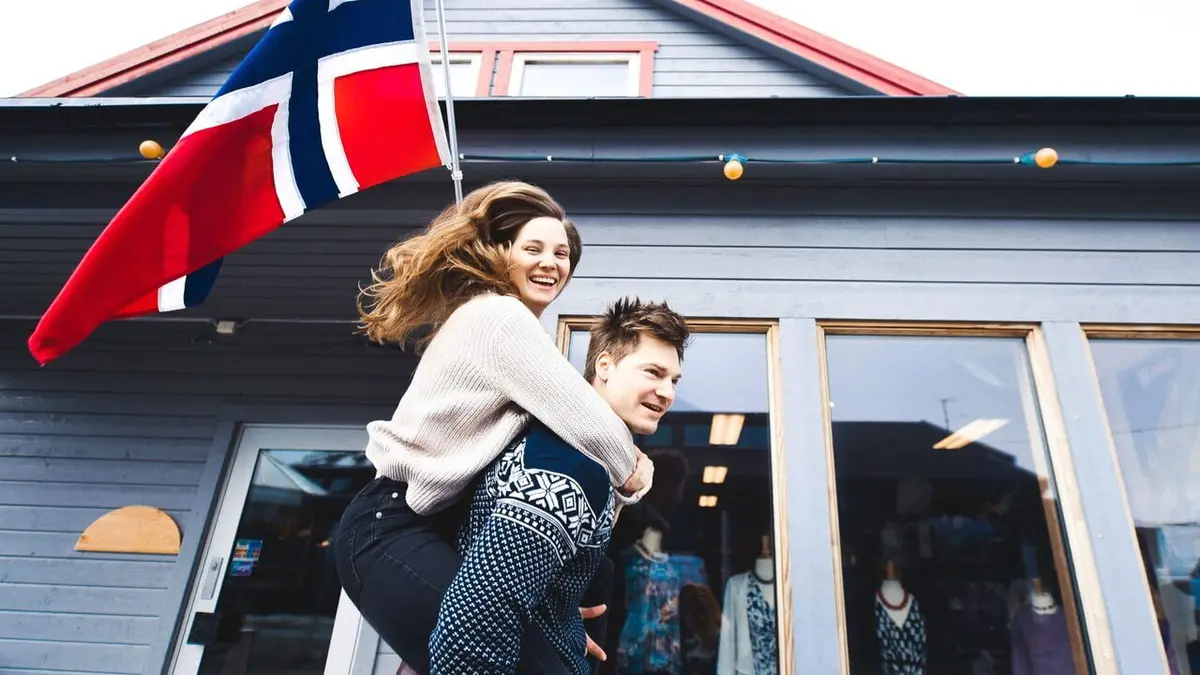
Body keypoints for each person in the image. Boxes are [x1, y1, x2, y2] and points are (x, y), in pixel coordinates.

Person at [332, 181, 655, 675]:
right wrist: (634, 467)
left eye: (562, 254)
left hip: (437, 531)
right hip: (388, 528)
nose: (551, 263)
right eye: (533, 248)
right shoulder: (498, 316)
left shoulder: (510, 328)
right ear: (501, 254)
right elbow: (594, 426)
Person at [429, 297, 691, 675]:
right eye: (653, 372)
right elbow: (475, 623)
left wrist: (558, 623)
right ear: (604, 365)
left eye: (674, 380)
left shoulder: (591, 460)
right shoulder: (568, 467)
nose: (668, 392)